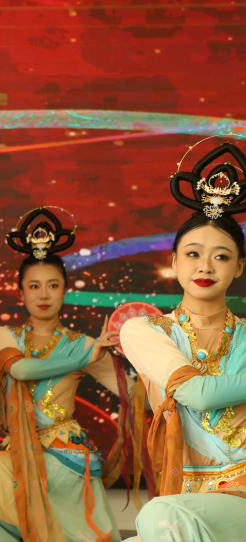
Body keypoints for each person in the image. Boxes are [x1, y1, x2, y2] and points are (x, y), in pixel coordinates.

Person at [0, 207, 131, 542]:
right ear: (21, 292)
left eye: (53, 285)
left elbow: (134, 394)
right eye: (34, 286)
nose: (43, 294)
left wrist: (152, 352)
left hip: (67, 456)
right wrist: (85, 356)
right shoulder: (2, 336)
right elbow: (21, 369)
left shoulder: (86, 344)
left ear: (65, 290)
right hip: (20, 451)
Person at [120, 141, 246, 542]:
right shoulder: (145, 331)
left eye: (221, 256)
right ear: (174, 261)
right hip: (185, 494)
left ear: (239, 266)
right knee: (159, 522)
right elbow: (197, 394)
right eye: (193, 254)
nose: (205, 266)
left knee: (159, 517)